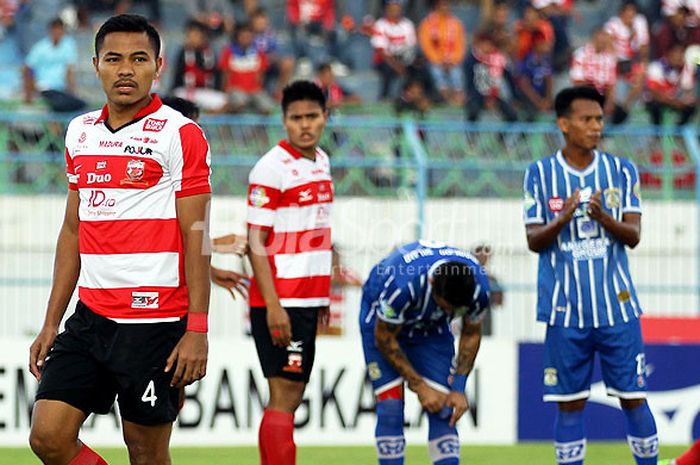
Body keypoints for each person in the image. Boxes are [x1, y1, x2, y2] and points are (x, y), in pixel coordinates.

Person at [27, 14, 212, 465]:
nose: (125, 69)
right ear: (95, 65)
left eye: (138, 59)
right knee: (48, 437)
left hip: (154, 326)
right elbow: (73, 228)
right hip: (90, 318)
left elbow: (199, 234)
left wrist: (198, 329)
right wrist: (52, 320)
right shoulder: (80, 131)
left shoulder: (180, 134)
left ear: (158, 66)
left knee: (146, 455)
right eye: (114, 59)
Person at [523, 86, 658, 465]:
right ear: (564, 124)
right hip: (565, 311)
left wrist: (603, 218)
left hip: (617, 309)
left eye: (599, 119)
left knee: (633, 396)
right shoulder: (539, 174)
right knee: (570, 404)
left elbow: (633, 236)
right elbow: (534, 240)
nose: (596, 126)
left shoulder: (621, 170)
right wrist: (564, 217)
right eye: (587, 119)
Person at [246, 80, 333, 465]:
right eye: (296, 118)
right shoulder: (270, 168)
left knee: (291, 395)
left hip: (307, 298)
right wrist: (273, 306)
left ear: (325, 118)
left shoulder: (323, 161)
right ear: (284, 121)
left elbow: (317, 234)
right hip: (282, 300)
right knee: (284, 394)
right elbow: (255, 242)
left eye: (312, 116)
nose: (304, 125)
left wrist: (323, 297)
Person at [360, 240, 490, 465]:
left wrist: (458, 388)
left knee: (444, 408)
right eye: (446, 305)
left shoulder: (478, 288)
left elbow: (471, 333)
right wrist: (419, 386)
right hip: (382, 326)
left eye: (454, 310)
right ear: (431, 283)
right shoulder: (403, 284)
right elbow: (384, 337)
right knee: (390, 408)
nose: (450, 312)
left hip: (432, 331)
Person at [22, 17, 86, 112]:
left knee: (80, 104)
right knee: (62, 104)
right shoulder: (40, 47)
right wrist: (30, 89)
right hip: (44, 87)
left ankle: (55, 122)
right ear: (50, 30)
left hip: (61, 88)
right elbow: (28, 68)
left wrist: (72, 90)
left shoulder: (68, 45)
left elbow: (69, 70)